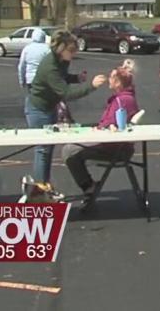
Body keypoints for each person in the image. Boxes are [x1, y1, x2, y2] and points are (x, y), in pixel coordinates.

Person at [27, 32, 107, 183]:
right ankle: (39, 190)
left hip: (50, 107)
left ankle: (45, 186)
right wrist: (91, 86)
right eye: (71, 50)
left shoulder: (62, 61)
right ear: (60, 49)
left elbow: (62, 77)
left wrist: (76, 78)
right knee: (43, 150)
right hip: (38, 109)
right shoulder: (50, 66)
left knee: (48, 150)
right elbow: (66, 93)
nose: (74, 53)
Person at [62, 60, 139, 200]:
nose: (108, 79)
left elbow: (110, 125)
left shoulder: (122, 101)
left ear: (118, 83)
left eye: (111, 77)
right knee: (71, 148)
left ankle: (88, 186)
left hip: (115, 148)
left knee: (69, 151)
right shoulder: (123, 98)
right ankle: (88, 185)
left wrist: (96, 129)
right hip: (116, 145)